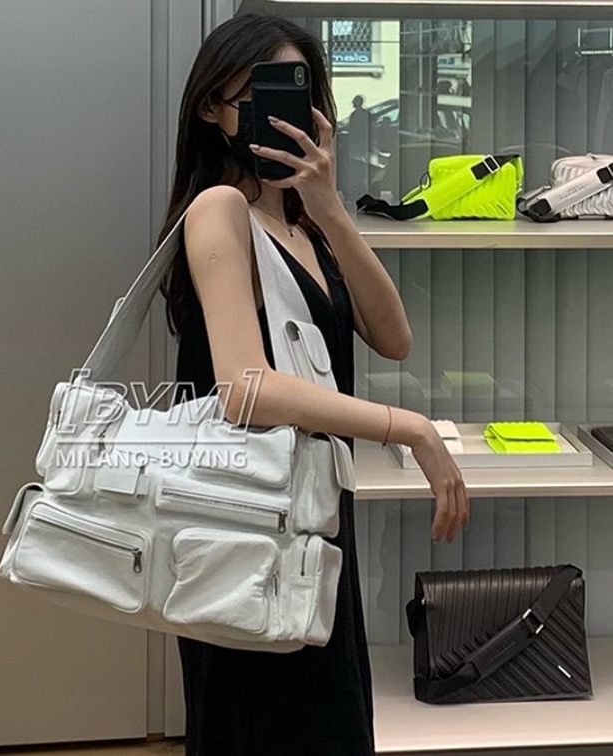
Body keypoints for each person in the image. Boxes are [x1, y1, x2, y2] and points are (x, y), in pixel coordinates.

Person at [157, 13, 470, 756]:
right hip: (246, 528)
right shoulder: (220, 210)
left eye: (295, 95)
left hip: (311, 518)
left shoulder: (302, 225)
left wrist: (328, 206)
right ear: (212, 108)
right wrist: (410, 428)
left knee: (330, 722)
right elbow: (244, 388)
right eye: (255, 97)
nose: (278, 116)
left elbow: (394, 336)